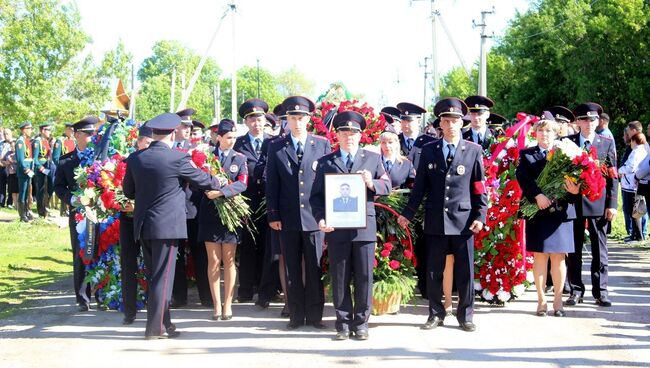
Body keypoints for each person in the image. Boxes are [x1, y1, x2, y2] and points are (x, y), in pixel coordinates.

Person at [123, 112, 223, 339]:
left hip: (143, 225)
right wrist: (218, 181)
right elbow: (203, 181)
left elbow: (128, 191)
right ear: (172, 133)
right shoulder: (176, 159)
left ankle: (165, 323)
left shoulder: (136, 158)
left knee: (155, 276)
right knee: (163, 278)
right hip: (166, 226)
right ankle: (154, 328)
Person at [398, 97, 487, 332]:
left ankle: (465, 315)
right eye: (446, 121)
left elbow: (479, 187)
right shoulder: (429, 151)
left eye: (455, 120)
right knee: (434, 269)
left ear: (461, 123)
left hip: (464, 220)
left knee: (465, 271)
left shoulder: (473, 151)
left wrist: (480, 215)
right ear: (440, 123)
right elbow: (420, 188)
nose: (450, 125)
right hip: (436, 219)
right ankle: (436, 313)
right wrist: (407, 213)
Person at [311, 110, 391, 340]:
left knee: (365, 276)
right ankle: (343, 322)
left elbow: (387, 186)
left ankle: (362, 322)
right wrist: (321, 218)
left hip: (364, 229)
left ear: (361, 135)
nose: (349, 136)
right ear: (337, 135)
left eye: (354, 132)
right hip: (337, 230)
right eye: (344, 132)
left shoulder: (373, 159)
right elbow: (316, 197)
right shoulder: (326, 162)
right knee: (340, 276)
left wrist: (371, 182)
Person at [266, 95, 331, 330]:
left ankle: (315, 316)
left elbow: (326, 182)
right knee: (292, 268)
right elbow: (272, 183)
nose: (297, 122)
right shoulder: (276, 146)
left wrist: (326, 214)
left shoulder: (321, 144)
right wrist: (273, 214)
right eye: (292, 118)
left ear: (309, 119)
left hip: (315, 218)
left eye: (301, 117)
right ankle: (295, 315)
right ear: (287, 120)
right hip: (288, 217)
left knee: (314, 268)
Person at [516, 118, 580, 317]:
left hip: (561, 213)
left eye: (549, 131)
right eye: (541, 131)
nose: (545, 135)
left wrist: (575, 190)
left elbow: (575, 179)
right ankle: (541, 300)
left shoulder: (568, 155)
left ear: (556, 134)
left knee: (559, 258)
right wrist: (538, 196)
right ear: (535, 133)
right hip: (539, 211)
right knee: (540, 257)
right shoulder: (527, 155)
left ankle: (558, 301)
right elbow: (523, 178)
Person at [565, 102, 618, 308]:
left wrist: (612, 204)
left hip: (598, 202)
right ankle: (576, 290)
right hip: (574, 202)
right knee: (574, 249)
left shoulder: (606, 142)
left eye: (593, 119)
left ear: (598, 121)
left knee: (599, 249)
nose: (589, 123)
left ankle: (601, 290)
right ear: (577, 122)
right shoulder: (567, 142)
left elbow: (613, 176)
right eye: (585, 119)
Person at [198, 119, 248, 320]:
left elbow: (243, 183)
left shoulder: (239, 158)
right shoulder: (207, 157)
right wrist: (209, 189)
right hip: (210, 213)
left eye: (235, 137)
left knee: (229, 260)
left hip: (231, 214)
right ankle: (216, 305)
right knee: (213, 260)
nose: (232, 141)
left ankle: (228, 304)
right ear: (218, 138)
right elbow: (198, 178)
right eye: (229, 138)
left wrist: (221, 192)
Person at [54, 117, 98, 311]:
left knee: (101, 251)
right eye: (88, 134)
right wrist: (72, 200)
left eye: (93, 133)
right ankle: (83, 297)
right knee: (81, 253)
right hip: (78, 214)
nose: (91, 137)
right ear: (77, 134)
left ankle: (104, 295)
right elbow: (58, 186)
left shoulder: (99, 157)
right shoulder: (65, 161)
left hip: (100, 212)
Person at [233, 98, 270, 304]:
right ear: (246, 123)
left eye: (260, 119)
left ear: (265, 121)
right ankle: (245, 289)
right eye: (252, 120)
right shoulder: (238, 144)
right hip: (246, 203)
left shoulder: (273, 142)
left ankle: (266, 290)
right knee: (246, 247)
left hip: (267, 203)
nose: (257, 124)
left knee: (267, 247)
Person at [119, 124, 153, 325]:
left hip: (148, 219)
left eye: (152, 143)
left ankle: (152, 306)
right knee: (128, 263)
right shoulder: (126, 162)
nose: (148, 147)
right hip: (128, 220)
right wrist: (123, 203)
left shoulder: (154, 162)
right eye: (146, 142)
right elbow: (117, 189)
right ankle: (129, 310)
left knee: (151, 264)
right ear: (138, 142)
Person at [618, 130, 648, 242]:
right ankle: (634, 235)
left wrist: (619, 170)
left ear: (634, 141)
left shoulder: (636, 152)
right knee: (633, 211)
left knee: (633, 211)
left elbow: (630, 167)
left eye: (631, 141)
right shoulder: (642, 150)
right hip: (632, 184)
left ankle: (638, 236)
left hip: (631, 185)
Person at [379, 119, 415, 189]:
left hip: (399, 199)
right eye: (383, 142)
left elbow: (413, 184)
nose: (387, 146)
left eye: (390, 142)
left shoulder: (406, 164)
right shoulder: (374, 162)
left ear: (396, 143)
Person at [32, 122, 53, 218]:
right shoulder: (37, 141)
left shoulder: (46, 141)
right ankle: (41, 211)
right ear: (43, 130)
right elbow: (35, 159)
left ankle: (46, 208)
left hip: (47, 167)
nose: (50, 132)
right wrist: (41, 167)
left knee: (48, 189)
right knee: (40, 190)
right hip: (40, 169)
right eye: (48, 130)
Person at [15, 122, 35, 222]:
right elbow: (20, 159)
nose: (31, 130)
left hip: (28, 170)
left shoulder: (26, 141)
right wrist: (26, 169)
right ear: (23, 130)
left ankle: (26, 212)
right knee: (22, 192)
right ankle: (22, 215)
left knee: (27, 192)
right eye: (29, 128)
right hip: (24, 171)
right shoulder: (20, 142)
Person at [2, 139, 18, 210]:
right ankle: (16, 206)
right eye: (11, 146)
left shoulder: (18, 153)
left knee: (18, 190)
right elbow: (2, 160)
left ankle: (19, 205)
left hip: (17, 173)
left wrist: (12, 161)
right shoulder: (8, 153)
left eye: (14, 146)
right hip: (10, 174)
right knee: (12, 190)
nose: (12, 148)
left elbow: (20, 162)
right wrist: (6, 162)